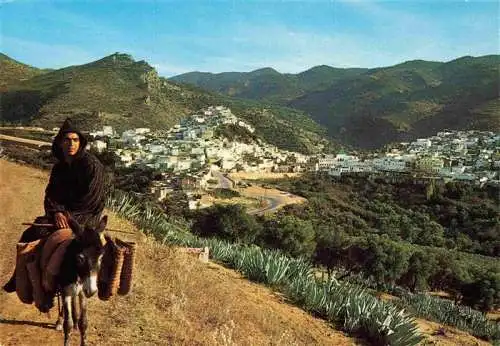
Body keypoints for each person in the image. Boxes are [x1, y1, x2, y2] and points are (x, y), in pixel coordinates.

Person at [3, 118, 106, 292]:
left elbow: (91, 200)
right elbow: (51, 195)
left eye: (75, 140)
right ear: (60, 142)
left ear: (80, 142)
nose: (71, 143)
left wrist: (67, 216)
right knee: (31, 233)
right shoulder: (59, 168)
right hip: (62, 215)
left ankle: (98, 280)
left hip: (87, 216)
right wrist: (57, 212)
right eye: (67, 140)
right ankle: (19, 276)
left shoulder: (92, 166)